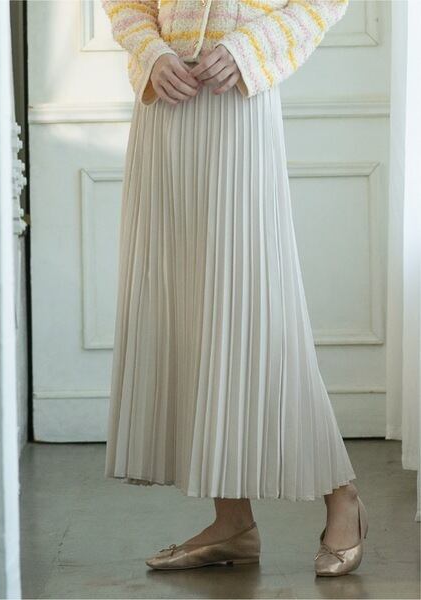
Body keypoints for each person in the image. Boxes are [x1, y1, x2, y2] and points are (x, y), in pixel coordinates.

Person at [101, 0, 368, 576]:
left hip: (240, 105)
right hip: (164, 111)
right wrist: (151, 52)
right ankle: (232, 521)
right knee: (190, 312)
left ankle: (341, 493)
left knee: (262, 315)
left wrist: (248, 49)